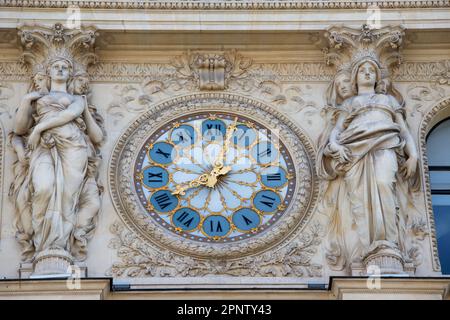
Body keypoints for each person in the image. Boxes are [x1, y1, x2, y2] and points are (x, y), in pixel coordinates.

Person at [318, 57, 420, 270]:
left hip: (385, 145)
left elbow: (403, 131)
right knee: (360, 198)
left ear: (377, 77)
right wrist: (335, 145)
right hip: (356, 151)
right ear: (354, 77)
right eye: (362, 70)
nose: (367, 73)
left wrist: (414, 156)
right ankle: (371, 247)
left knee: (384, 185)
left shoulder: (388, 101)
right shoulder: (349, 103)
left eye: (371, 70)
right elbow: (336, 131)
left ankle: (388, 244)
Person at [12, 56, 90, 259]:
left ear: (70, 73)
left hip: (73, 146)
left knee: (67, 196)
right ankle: (44, 243)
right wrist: (26, 100)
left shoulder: (77, 99)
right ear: (48, 72)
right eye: (56, 67)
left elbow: (68, 115)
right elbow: (19, 129)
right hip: (43, 147)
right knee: (44, 187)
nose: (61, 69)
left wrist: (39, 127)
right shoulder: (36, 98)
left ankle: (59, 245)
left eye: (65, 67)